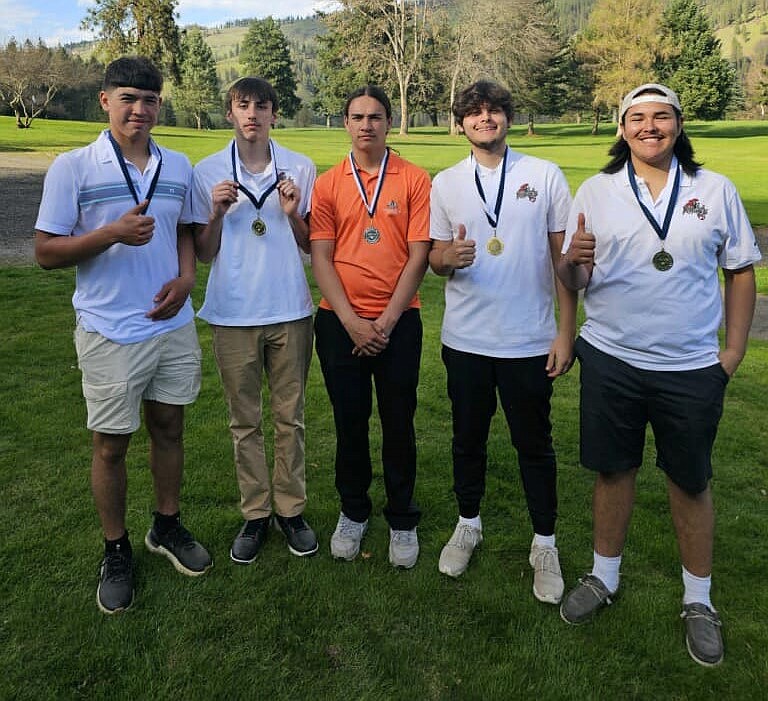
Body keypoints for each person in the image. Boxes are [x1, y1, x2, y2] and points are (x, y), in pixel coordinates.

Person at [557, 83, 761, 666]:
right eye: (637, 118)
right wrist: (573, 263)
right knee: (613, 472)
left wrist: (733, 353)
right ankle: (603, 577)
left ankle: (699, 600)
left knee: (691, 481)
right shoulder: (596, 191)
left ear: (678, 124)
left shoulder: (714, 189)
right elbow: (574, 281)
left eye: (661, 117)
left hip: (691, 366)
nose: (650, 127)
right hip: (612, 358)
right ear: (622, 129)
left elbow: (740, 271)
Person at [34, 56, 212, 615]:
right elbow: (45, 252)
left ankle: (166, 526)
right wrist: (110, 233)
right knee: (111, 444)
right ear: (106, 100)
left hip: (171, 324)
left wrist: (186, 279)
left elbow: (186, 230)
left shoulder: (178, 165)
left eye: (150, 100)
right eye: (129, 98)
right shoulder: (74, 167)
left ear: (160, 105)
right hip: (110, 330)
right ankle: (116, 549)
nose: (140, 109)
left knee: (170, 428)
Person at [428, 81, 576, 603]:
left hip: (529, 340)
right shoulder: (445, 183)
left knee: (534, 445)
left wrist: (565, 331)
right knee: (467, 439)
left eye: (493, 111)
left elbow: (565, 263)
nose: (484, 119)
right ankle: (468, 523)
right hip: (466, 340)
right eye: (473, 112)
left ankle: (545, 544)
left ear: (507, 118)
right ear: (461, 123)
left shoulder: (544, 175)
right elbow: (435, 258)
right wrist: (448, 258)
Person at [192, 77, 318, 562]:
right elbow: (204, 255)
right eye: (242, 106)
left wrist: (293, 213)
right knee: (244, 422)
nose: (251, 115)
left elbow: (311, 245)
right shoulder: (208, 173)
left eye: (260, 106)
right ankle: (255, 514)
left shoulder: (300, 168)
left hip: (290, 309)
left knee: (291, 418)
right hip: (233, 312)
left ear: (273, 114)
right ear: (230, 113)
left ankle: (291, 510)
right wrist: (217, 213)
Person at [310, 85, 431, 568]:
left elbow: (419, 253)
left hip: (398, 320)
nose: (367, 125)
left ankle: (402, 518)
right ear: (345, 123)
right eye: (357, 116)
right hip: (340, 322)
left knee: (399, 421)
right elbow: (320, 255)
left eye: (376, 116)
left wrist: (383, 321)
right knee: (349, 421)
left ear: (388, 121)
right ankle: (353, 511)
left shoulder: (415, 179)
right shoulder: (328, 183)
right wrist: (352, 322)